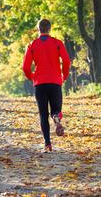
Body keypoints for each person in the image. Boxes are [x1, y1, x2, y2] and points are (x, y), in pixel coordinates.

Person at [22, 19, 71, 153]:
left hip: (40, 84)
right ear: (49, 29)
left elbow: (25, 67)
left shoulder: (32, 45)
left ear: (38, 29)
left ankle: (48, 144)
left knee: (43, 114)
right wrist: (64, 76)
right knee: (56, 110)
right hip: (55, 82)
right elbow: (66, 61)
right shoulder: (57, 43)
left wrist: (33, 77)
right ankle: (56, 118)